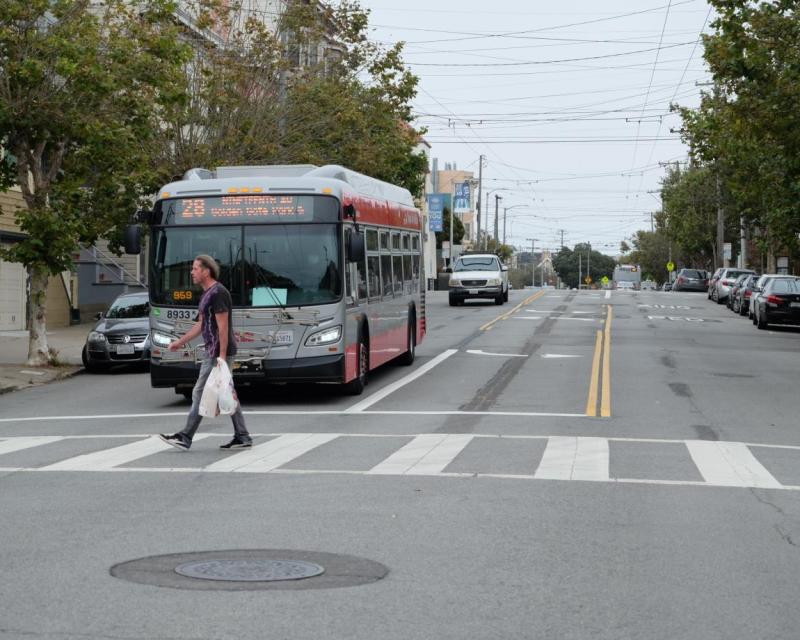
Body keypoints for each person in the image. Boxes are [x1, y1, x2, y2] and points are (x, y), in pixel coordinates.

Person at [159, 255, 253, 451]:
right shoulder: (207, 294)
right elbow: (201, 324)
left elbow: (223, 326)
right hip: (214, 351)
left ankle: (185, 437)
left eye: (195, 269)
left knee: (201, 392)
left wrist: (221, 357)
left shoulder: (218, 293)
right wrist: (180, 342)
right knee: (226, 392)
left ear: (206, 271)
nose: (191, 273)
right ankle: (242, 436)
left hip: (218, 353)